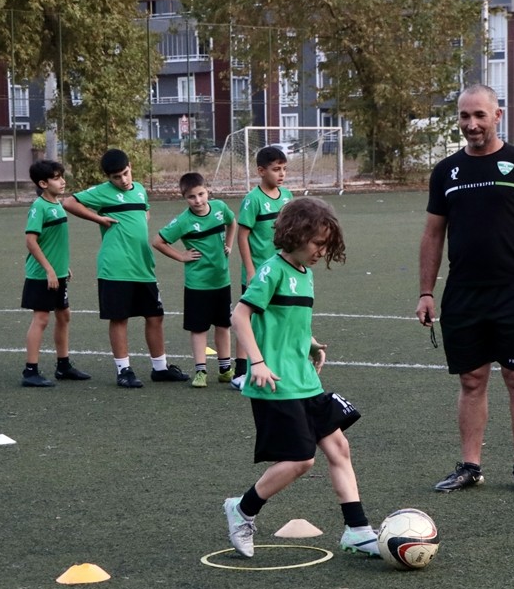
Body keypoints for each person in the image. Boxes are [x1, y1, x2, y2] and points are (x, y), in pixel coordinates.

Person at [415, 84, 514, 493]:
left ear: (498, 116)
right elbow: (432, 235)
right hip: (463, 293)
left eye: (479, 115)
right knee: (472, 380)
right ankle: (470, 466)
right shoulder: (446, 171)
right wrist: (426, 291)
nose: (471, 124)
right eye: (464, 116)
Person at [222, 197, 378, 559]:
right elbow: (240, 317)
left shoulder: (304, 276)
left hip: (306, 380)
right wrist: (256, 363)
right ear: (295, 234)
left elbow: (289, 322)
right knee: (301, 460)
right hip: (276, 384)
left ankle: (357, 530)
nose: (321, 251)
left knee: (339, 448)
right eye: (317, 243)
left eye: (326, 244)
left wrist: (309, 343)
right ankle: (242, 509)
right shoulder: (271, 270)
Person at [62, 148, 189, 388]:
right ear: (108, 178)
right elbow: (68, 202)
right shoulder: (102, 192)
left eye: (125, 173)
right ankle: (124, 370)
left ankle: (160, 368)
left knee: (155, 316)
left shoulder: (140, 190)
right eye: (116, 177)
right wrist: (99, 219)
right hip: (115, 267)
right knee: (120, 318)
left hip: (143, 266)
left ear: (130, 167)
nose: (122, 180)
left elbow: (145, 212)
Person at [152, 172, 238, 389]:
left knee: (223, 325)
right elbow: (158, 241)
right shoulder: (183, 221)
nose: (198, 200)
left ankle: (226, 369)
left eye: (201, 194)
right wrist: (181, 256)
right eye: (192, 197)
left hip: (222, 281)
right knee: (199, 329)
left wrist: (229, 244)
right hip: (198, 284)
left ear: (207, 191)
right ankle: (200, 371)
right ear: (184, 197)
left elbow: (232, 222)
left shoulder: (219, 208)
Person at [19, 159, 91, 387]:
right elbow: (31, 242)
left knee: (64, 315)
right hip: (41, 275)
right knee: (41, 319)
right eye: (57, 178)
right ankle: (30, 372)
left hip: (58, 273)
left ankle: (63, 366)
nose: (62, 181)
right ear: (43, 183)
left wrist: (62, 267)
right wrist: (49, 269)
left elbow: (55, 242)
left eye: (62, 176)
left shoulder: (57, 204)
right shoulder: (38, 207)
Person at [231, 145, 293, 389]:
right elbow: (242, 236)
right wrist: (249, 269)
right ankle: (241, 371)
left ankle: (275, 364)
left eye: (284, 169)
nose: (281, 174)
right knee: (250, 317)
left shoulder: (287, 196)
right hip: (259, 271)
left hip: (282, 270)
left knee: (278, 317)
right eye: (276, 169)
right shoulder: (253, 199)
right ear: (261, 171)